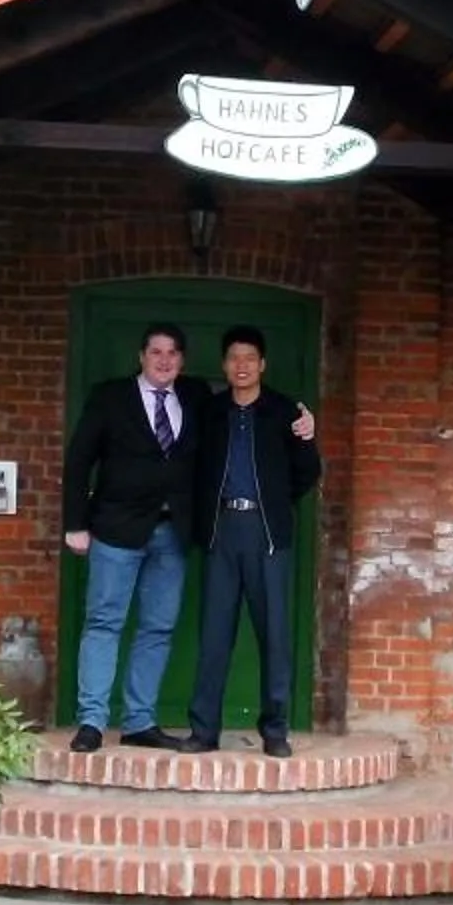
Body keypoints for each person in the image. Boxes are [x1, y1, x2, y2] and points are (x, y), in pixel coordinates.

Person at [61, 323, 207, 753]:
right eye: (156, 351)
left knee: (158, 628)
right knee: (104, 622)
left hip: (172, 533)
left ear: (182, 360)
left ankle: (139, 722)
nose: (164, 360)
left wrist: (300, 425)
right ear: (141, 356)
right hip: (115, 530)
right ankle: (91, 721)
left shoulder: (196, 397)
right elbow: (79, 460)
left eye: (173, 353)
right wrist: (75, 523)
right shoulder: (110, 396)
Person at [180, 324, 323, 758]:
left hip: (266, 534)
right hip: (222, 531)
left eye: (249, 358)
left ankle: (275, 730)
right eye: (233, 358)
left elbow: (307, 470)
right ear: (224, 365)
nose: (241, 366)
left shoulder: (283, 411)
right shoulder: (211, 410)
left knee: (274, 635)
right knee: (214, 634)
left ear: (262, 364)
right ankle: (204, 731)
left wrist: (275, 502)